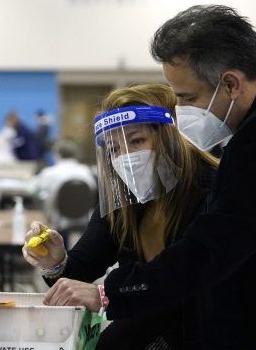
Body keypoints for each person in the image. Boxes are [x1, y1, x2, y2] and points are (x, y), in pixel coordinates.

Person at [39, 5, 256, 349]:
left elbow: (210, 251)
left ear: (230, 84)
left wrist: (107, 292)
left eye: (189, 98)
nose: (185, 113)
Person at [23, 84, 219, 348]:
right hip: (149, 325)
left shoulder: (212, 189)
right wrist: (55, 261)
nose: (126, 157)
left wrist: (106, 294)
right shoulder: (123, 200)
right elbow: (81, 270)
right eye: (114, 149)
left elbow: (185, 274)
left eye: (137, 141)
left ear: (171, 137)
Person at [34, 139, 96, 246]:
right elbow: (93, 193)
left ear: (57, 154)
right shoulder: (87, 171)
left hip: (58, 222)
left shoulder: (49, 173)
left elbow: (34, 190)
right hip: (83, 220)